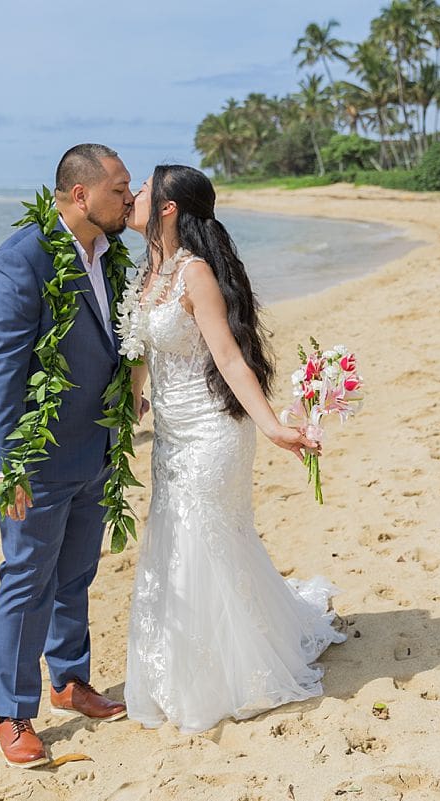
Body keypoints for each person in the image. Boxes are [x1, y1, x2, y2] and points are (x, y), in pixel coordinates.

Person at [119, 164, 347, 734]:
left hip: (213, 432)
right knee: (175, 542)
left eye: (142, 190)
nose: (132, 196)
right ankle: (189, 666)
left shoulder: (193, 273)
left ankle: (230, 674)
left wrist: (272, 427)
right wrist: (135, 398)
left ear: (168, 208)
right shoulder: (148, 270)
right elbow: (142, 347)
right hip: (171, 437)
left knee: (204, 541)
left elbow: (227, 356)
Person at [0, 144, 134, 768]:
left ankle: (69, 680)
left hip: (94, 445)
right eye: (119, 189)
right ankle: (13, 714)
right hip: (35, 457)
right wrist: (6, 465)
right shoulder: (22, 260)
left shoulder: (109, 253)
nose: (129, 199)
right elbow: (1, 366)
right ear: (81, 195)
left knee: (75, 574)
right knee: (26, 581)